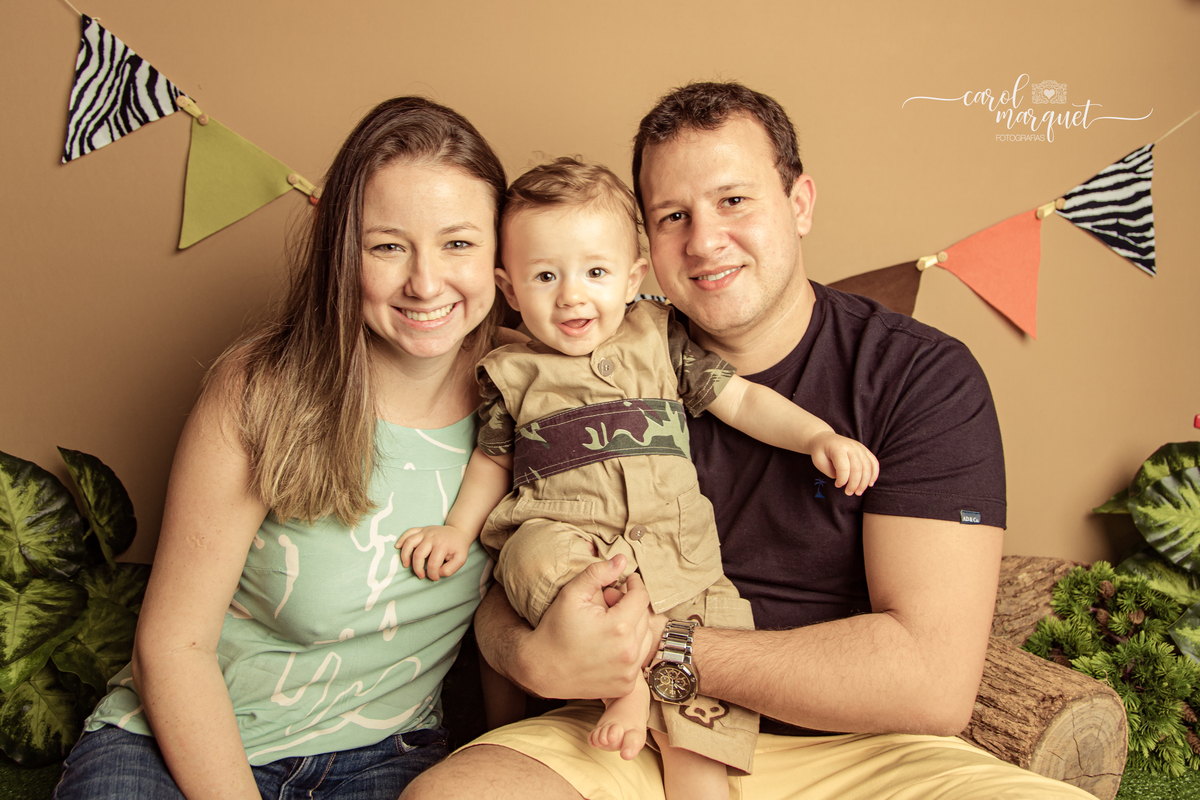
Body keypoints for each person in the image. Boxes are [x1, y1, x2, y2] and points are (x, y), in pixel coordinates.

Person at [401, 83, 1096, 799]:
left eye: (734, 200)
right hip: (610, 733)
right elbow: (510, 554)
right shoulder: (568, 361)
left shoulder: (918, 375)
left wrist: (656, 647)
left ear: (799, 205)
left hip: (862, 752)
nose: (704, 241)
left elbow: (929, 680)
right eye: (674, 215)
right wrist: (535, 657)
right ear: (646, 244)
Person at [53, 96, 510, 800]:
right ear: (341, 250)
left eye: (458, 243)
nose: (425, 282)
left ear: (501, 253)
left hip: (384, 755)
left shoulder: (529, 396)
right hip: (182, 741)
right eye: (387, 245)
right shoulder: (262, 388)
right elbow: (172, 647)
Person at [395, 157, 878, 800]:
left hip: (674, 558)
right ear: (509, 290)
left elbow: (741, 401)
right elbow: (492, 459)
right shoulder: (509, 373)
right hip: (565, 542)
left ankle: (675, 737)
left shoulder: (660, 339)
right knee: (527, 558)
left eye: (595, 272)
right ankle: (618, 684)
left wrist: (817, 435)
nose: (572, 295)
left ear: (632, 278)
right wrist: (457, 530)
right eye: (545, 276)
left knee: (701, 753)